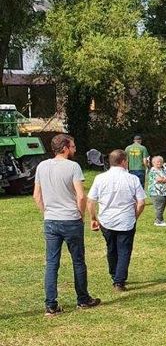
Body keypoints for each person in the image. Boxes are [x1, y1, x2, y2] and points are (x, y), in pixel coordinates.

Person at [33, 133, 101, 316]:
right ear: (65, 148)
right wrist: (80, 214)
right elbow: (80, 195)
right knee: (78, 261)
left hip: (51, 220)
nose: (75, 149)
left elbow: (36, 196)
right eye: (73, 146)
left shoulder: (41, 166)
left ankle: (50, 305)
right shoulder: (73, 167)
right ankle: (83, 299)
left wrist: (46, 213)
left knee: (51, 263)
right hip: (71, 220)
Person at [87, 149, 146, 292]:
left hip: (106, 220)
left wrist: (93, 218)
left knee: (111, 248)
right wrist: (135, 216)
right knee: (124, 250)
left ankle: (114, 274)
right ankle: (119, 281)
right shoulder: (132, 179)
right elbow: (141, 202)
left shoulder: (100, 178)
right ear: (124, 161)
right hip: (126, 220)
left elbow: (90, 201)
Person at [146, 155, 166, 227]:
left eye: (160, 162)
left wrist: (165, 179)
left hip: (164, 191)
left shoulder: (162, 170)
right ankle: (159, 221)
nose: (159, 163)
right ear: (153, 163)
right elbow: (159, 179)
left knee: (162, 206)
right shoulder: (153, 170)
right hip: (156, 192)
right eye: (157, 162)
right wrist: (165, 179)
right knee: (159, 206)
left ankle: (158, 219)